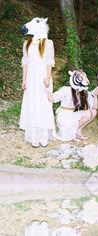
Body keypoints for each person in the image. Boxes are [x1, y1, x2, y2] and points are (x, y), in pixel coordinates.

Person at [19, 17, 55, 147]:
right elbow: (25, 63)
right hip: (31, 78)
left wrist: (47, 77)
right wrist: (24, 80)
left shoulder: (48, 43)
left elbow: (49, 62)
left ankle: (43, 136)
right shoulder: (26, 44)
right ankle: (33, 136)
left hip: (43, 78)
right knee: (32, 104)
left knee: (43, 104)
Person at [47, 70, 98, 142]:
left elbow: (95, 108)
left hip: (74, 115)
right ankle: (73, 133)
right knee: (87, 113)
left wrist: (95, 95)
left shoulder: (84, 92)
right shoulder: (66, 90)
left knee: (91, 112)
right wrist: (47, 88)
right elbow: (52, 99)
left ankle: (77, 131)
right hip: (65, 117)